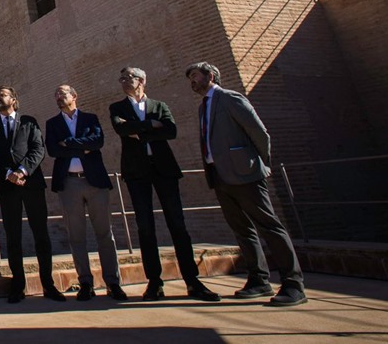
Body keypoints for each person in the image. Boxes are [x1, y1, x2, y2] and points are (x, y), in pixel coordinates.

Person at [187, 61, 306, 307]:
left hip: (246, 174)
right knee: (242, 229)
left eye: (196, 76)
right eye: (191, 78)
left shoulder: (230, 98)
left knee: (269, 226)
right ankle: (259, 279)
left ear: (211, 75)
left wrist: (261, 164)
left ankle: (293, 284)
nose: (192, 81)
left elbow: (259, 132)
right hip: (220, 176)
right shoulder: (203, 107)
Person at [109, 67, 220, 302]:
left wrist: (139, 130)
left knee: (177, 224)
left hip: (164, 170)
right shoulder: (117, 108)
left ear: (141, 80)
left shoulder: (159, 106)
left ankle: (192, 280)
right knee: (145, 228)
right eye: (121, 78)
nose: (123, 81)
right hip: (136, 172)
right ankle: (154, 282)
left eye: (128, 77)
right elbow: (121, 129)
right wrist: (152, 126)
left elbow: (171, 131)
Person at [45, 84, 127, 302]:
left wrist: (69, 144)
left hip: (95, 182)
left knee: (105, 234)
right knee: (76, 236)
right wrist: (83, 147)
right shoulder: (52, 123)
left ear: (74, 96)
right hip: (69, 184)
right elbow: (53, 150)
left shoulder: (90, 119)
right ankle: (85, 283)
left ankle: (113, 282)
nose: (58, 97)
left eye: (62, 93)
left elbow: (98, 142)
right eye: (56, 94)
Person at [0, 86, 66, 303]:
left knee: (41, 235)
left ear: (13, 99)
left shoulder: (29, 121)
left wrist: (23, 170)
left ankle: (48, 284)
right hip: (8, 187)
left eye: (1, 94)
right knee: (13, 237)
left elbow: (38, 149)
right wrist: (8, 174)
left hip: (31, 185)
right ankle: (17, 286)